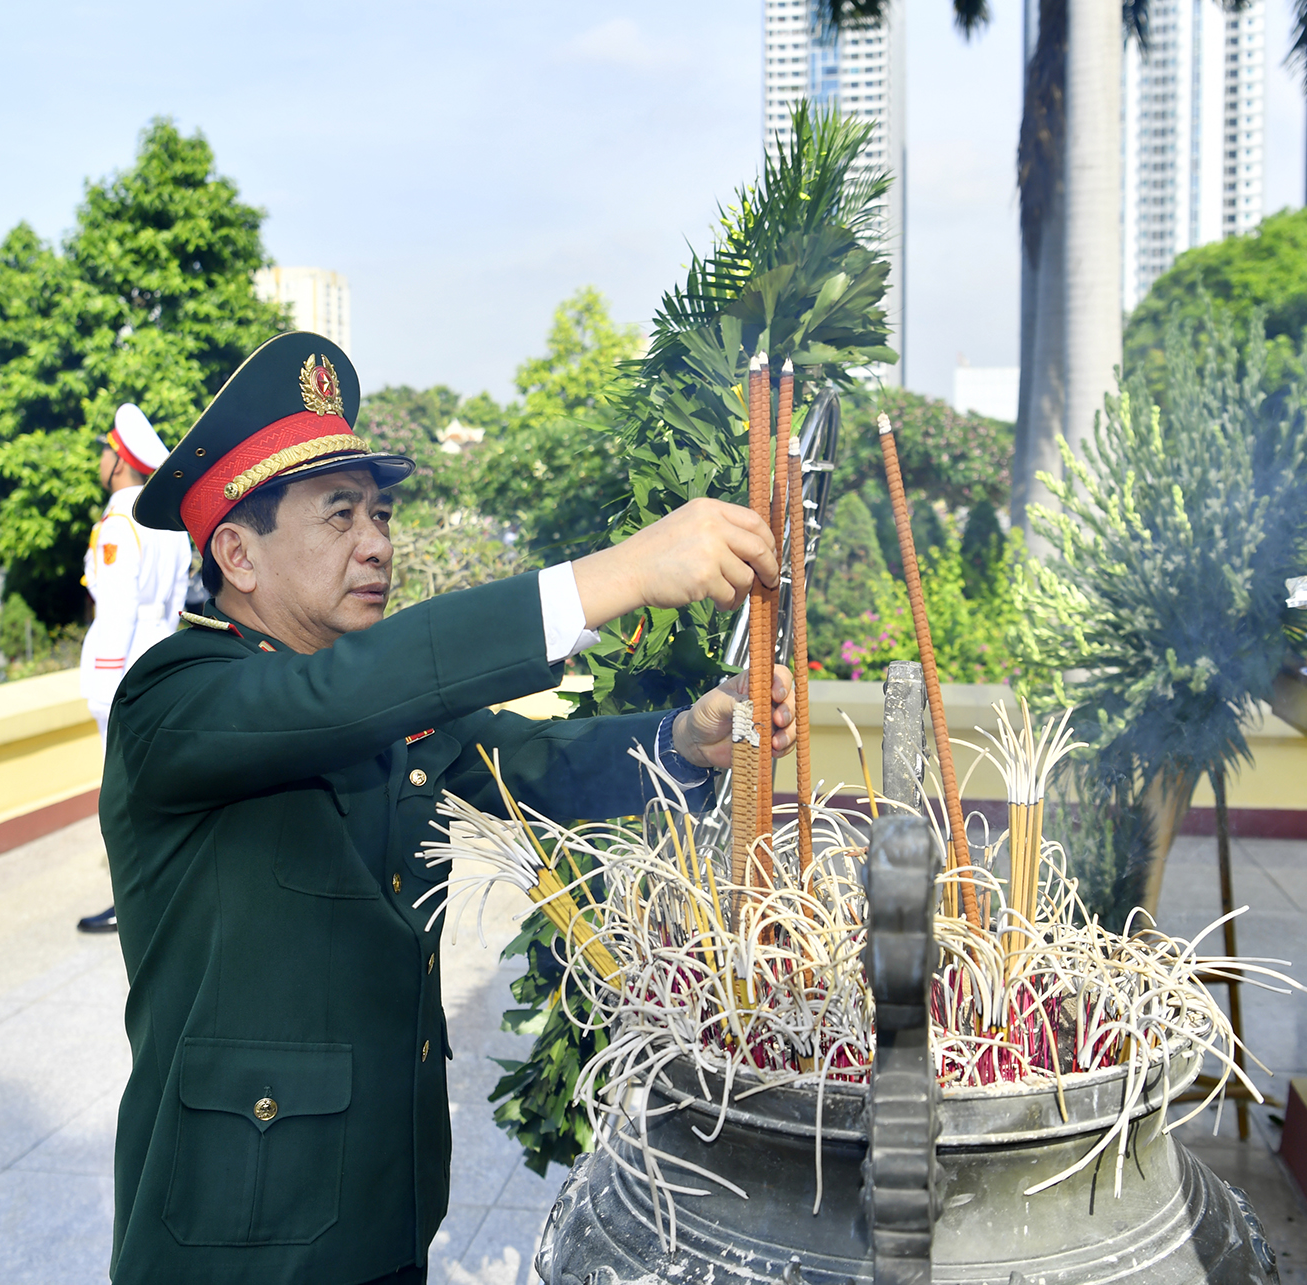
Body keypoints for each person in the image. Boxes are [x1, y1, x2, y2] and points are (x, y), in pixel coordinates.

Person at [102, 332, 795, 1285]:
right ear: (237, 554)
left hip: (382, 1216)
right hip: (236, 1240)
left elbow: (533, 765)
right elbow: (331, 702)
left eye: (379, 513)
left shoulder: (373, 707)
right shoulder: (174, 699)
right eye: (339, 516)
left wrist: (688, 743)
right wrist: (616, 575)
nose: (378, 542)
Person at [76, 403, 193, 935]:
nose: (101, 460)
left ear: (119, 460)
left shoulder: (120, 522)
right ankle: (163, 888)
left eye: (105, 451)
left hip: (119, 663)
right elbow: (171, 605)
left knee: (121, 793)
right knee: (151, 783)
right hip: (156, 659)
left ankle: (133, 900)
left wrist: (105, 681)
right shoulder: (166, 522)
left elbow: (117, 608)